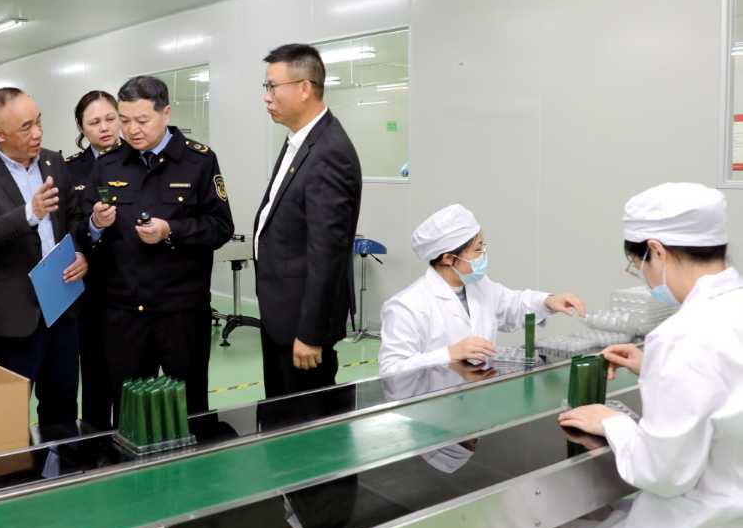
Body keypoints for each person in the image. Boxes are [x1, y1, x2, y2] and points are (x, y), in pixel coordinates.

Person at [530, 182, 743, 528]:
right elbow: (725, 386)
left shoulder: (681, 336)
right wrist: (653, 367)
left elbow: (662, 473)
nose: (644, 277)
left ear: (656, 251)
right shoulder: (731, 309)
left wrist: (611, 422)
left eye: (639, 264)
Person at [87, 75, 233, 420]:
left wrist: (171, 230)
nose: (132, 130)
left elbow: (220, 227)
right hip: (124, 311)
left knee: (190, 409)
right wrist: (95, 223)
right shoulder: (108, 164)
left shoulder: (199, 161)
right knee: (130, 412)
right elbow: (83, 227)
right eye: (124, 121)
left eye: (142, 120)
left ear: (165, 113)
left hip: (181, 311)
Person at [0, 87, 88, 440]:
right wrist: (28, 213)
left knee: (62, 406)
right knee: (9, 413)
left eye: (39, 121)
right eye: (26, 127)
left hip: (61, 307)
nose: (38, 133)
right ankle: (17, 472)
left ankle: (61, 466)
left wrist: (79, 253)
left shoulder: (53, 162)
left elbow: (73, 218)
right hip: (14, 316)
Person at [253, 43, 362, 398]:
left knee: (303, 419)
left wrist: (311, 333)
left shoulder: (329, 152)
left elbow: (327, 253)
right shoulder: (301, 142)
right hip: (282, 315)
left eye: (272, 86)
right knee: (278, 413)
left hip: (302, 328)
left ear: (304, 88)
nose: (266, 96)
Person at [379, 204, 585, 375]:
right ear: (448, 258)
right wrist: (448, 354)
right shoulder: (406, 306)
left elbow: (512, 304)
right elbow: (390, 370)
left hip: (475, 396)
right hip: (431, 406)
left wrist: (547, 301)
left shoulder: (479, 286)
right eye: (477, 249)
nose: (483, 254)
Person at [65, 90, 123, 431]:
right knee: (95, 374)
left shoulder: (139, 161)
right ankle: (95, 442)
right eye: (94, 122)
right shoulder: (71, 170)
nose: (104, 128)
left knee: (131, 377)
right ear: (82, 128)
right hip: (90, 291)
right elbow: (67, 224)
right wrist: (84, 247)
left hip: (131, 286)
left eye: (110, 118)